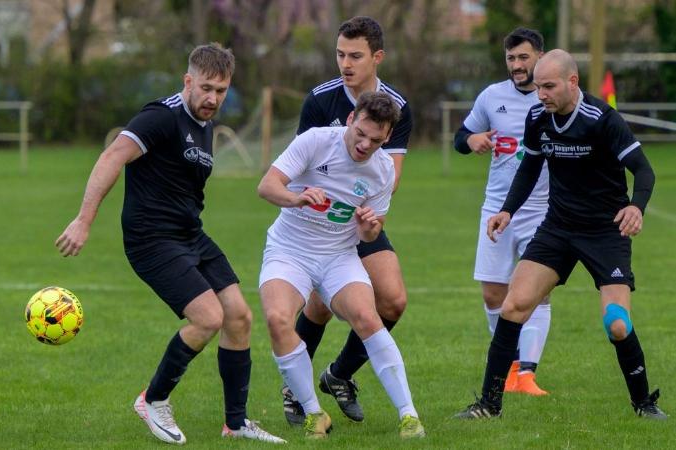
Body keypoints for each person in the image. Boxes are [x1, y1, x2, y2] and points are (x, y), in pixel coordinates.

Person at [55, 43, 286, 445]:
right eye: (206, 88)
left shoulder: (207, 124)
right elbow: (112, 157)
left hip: (189, 234)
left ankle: (235, 424)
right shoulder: (161, 117)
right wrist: (84, 219)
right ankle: (153, 399)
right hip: (151, 239)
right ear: (188, 81)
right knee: (208, 318)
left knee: (238, 317)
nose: (213, 98)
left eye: (221, 90)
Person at [455, 49, 666, 420]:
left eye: (549, 86)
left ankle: (644, 404)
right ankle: (489, 405)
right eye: (537, 87)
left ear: (573, 82)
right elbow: (530, 167)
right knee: (513, 306)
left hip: (605, 231)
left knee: (617, 323)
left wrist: (636, 207)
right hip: (558, 227)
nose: (541, 95)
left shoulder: (602, 119)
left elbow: (644, 172)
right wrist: (507, 210)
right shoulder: (538, 117)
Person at [258, 91, 425, 439]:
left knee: (368, 317)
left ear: (387, 137)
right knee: (277, 319)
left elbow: (368, 235)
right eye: (360, 133)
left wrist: (368, 228)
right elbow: (267, 186)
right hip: (290, 250)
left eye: (375, 140)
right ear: (351, 120)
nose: (364, 144)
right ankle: (313, 413)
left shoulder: (381, 173)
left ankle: (409, 416)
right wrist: (296, 197)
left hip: (339, 256)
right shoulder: (316, 141)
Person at [281, 15, 413, 426]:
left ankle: (339, 375)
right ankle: (293, 391)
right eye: (340, 54)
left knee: (393, 300)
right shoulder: (320, 100)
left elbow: (390, 178)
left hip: (361, 217)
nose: (345, 63)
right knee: (319, 306)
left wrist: (364, 212)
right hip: (318, 223)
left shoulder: (396, 108)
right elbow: (300, 166)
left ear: (377, 57)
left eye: (355, 56)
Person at [453, 27, 551, 396]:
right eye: (511, 58)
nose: (516, 65)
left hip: (543, 210)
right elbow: (460, 138)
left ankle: (527, 374)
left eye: (523, 57)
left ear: (540, 57)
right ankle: (508, 368)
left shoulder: (554, 97)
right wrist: (472, 139)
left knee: (537, 293)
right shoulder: (492, 97)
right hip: (496, 209)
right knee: (493, 294)